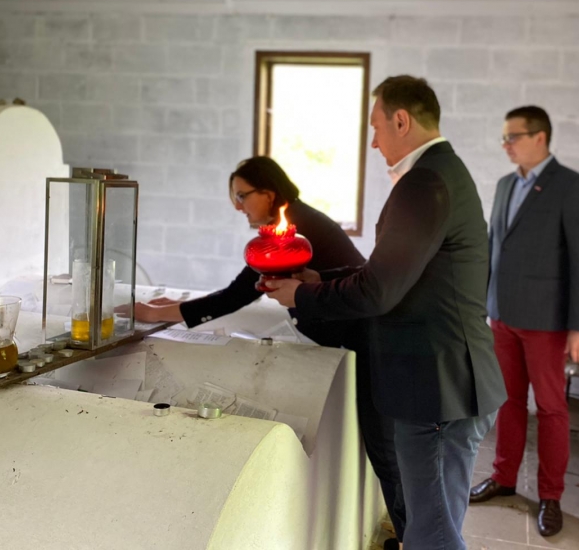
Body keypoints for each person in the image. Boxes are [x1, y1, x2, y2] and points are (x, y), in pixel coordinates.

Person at [265, 75, 506, 550]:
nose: (374, 143)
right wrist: (320, 281)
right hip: (452, 380)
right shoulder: (445, 172)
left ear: (401, 121)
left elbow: (379, 291)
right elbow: (403, 276)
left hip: (435, 389)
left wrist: (302, 297)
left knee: (431, 537)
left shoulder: (424, 182)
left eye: (375, 128)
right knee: (436, 527)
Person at [131, 156, 406, 543]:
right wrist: (171, 306)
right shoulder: (295, 221)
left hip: (368, 341)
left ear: (269, 194)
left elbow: (237, 295)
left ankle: (412, 538)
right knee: (384, 451)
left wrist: (155, 313)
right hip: (360, 339)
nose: (238, 206)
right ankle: (408, 533)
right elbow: (246, 289)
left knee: (386, 452)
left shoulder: (294, 233)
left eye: (242, 195)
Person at [469, 106, 579, 538]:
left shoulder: (572, 186)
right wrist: (481, 304)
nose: (505, 145)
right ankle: (504, 477)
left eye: (513, 137)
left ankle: (550, 496)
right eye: (504, 138)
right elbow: (494, 247)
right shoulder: (505, 185)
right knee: (506, 401)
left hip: (546, 321)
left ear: (539, 137)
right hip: (502, 316)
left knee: (550, 408)